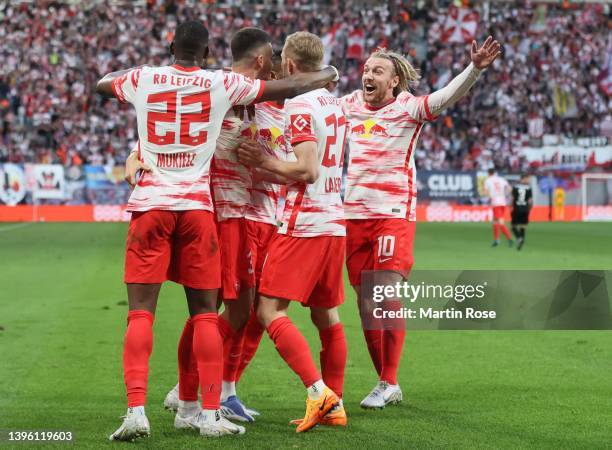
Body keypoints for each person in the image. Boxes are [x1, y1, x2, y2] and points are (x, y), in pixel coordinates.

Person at [97, 20, 338, 441]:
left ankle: (208, 394)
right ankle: (191, 398)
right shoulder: (223, 86)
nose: (278, 70)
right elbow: (173, 121)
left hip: (241, 212)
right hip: (219, 213)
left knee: (233, 314)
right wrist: (328, 73)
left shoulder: (177, 83)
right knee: (223, 312)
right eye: (275, 63)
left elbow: (137, 97)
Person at [339, 37, 501, 408]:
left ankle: (388, 380)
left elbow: (445, 97)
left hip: (393, 212)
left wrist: (474, 69)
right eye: (366, 69)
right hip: (353, 214)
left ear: (394, 81)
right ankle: (385, 381)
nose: (368, 74)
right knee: (366, 303)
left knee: (385, 294)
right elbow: (314, 110)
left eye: (377, 70)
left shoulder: (408, 108)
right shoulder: (348, 105)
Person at [238, 31, 348, 432]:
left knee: (268, 311)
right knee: (327, 316)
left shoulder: (300, 106)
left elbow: (307, 169)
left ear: (289, 65)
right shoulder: (335, 105)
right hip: (335, 221)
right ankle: (334, 402)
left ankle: (318, 392)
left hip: (304, 223)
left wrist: (264, 161)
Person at [483, 167, 513, 247]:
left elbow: (485, 192)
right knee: (495, 221)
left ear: (489, 173)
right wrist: (505, 195)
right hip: (503, 202)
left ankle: (509, 239)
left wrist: (490, 197)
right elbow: (509, 189)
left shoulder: (488, 181)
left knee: (500, 222)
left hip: (496, 203)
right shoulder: (501, 179)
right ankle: (496, 240)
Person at [511, 174, 533, 250]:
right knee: (523, 226)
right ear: (523, 178)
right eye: (528, 179)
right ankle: (521, 240)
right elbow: (530, 200)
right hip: (525, 209)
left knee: (513, 226)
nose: (528, 180)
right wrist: (530, 208)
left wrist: (511, 207)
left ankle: (519, 238)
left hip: (517, 208)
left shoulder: (515, 187)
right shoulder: (529, 188)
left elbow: (512, 198)